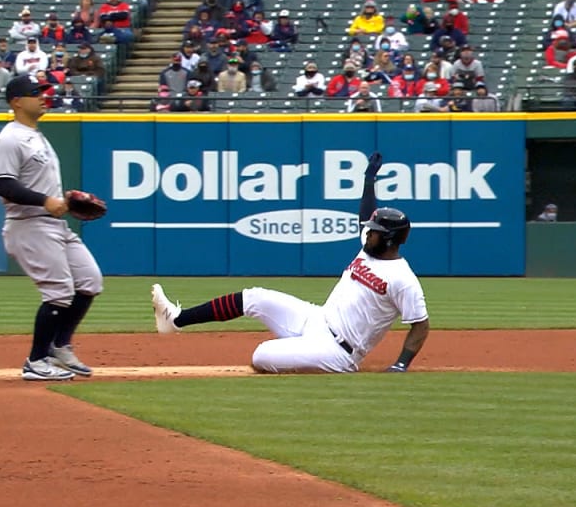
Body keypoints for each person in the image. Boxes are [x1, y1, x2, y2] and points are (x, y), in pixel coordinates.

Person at [151, 152, 430, 374]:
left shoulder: (403, 279)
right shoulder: (368, 249)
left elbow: (420, 324)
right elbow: (366, 214)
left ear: (390, 239)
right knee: (254, 297)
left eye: (374, 231)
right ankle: (175, 320)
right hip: (317, 318)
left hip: (339, 351)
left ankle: (302, 353)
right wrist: (369, 179)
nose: (367, 232)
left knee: (261, 355)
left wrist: (401, 364)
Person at [0, 75, 104, 381]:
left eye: (42, 91)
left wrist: (64, 200)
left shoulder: (36, 135)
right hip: (28, 224)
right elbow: (3, 184)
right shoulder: (10, 138)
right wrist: (45, 200)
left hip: (53, 223)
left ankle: (59, 344)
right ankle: (37, 361)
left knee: (90, 280)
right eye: (35, 93)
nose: (43, 96)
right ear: (16, 102)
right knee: (58, 291)